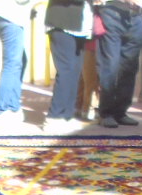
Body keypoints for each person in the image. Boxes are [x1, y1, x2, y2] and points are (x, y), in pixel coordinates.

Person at [96, 0, 142, 124]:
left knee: (130, 65)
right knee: (110, 65)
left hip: (137, 15)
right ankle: (106, 113)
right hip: (113, 11)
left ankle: (121, 111)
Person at [0, 0, 37, 124]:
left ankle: (13, 105)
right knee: (12, 63)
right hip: (9, 16)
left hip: (3, 15)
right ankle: (2, 109)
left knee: (19, 61)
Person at [44, 0, 90, 129]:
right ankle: (54, 116)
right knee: (66, 69)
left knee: (75, 70)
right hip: (61, 22)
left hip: (80, 25)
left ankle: (67, 115)